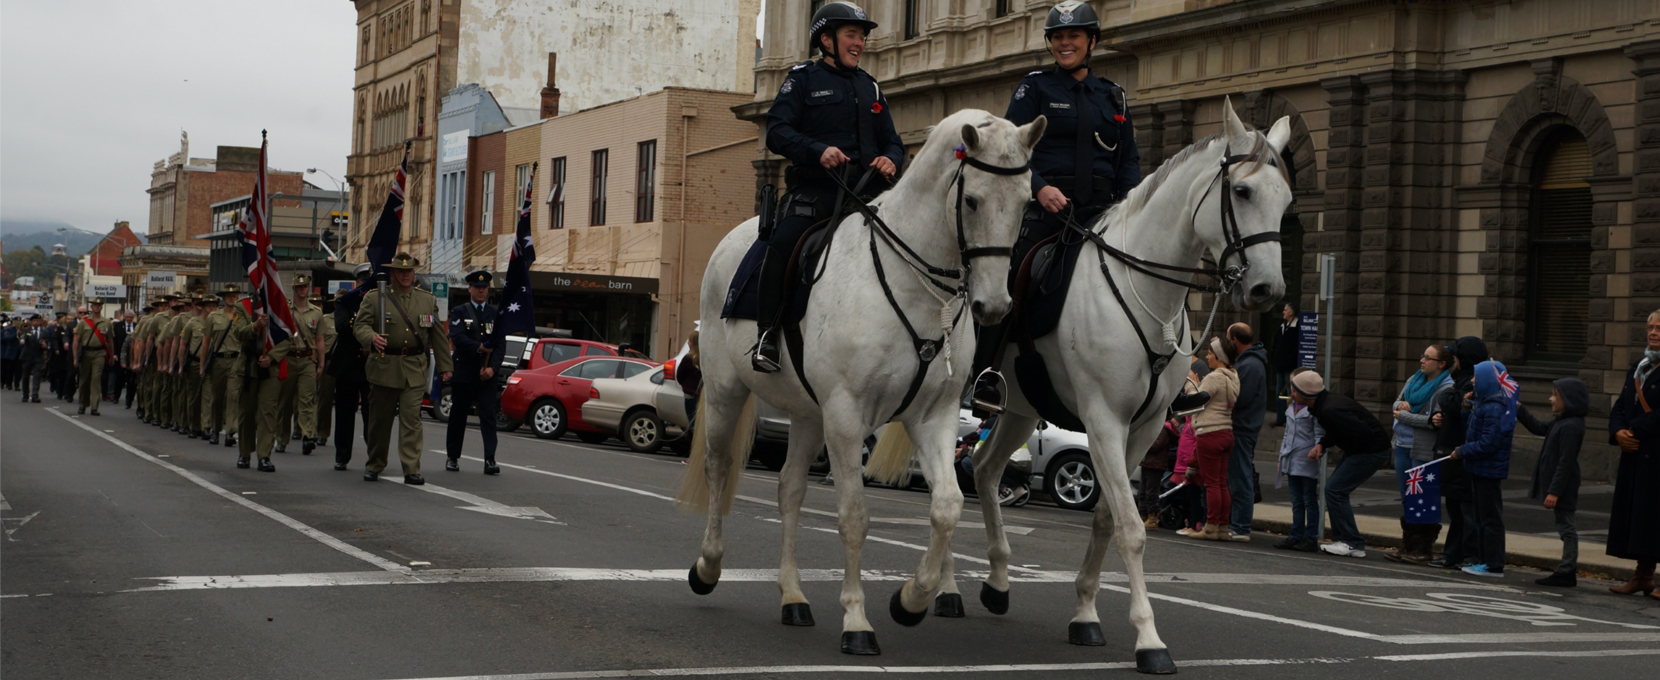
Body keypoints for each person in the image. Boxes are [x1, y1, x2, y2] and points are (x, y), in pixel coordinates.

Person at [753, 1, 902, 373]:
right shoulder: (803, 79)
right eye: (852, 35)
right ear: (826, 39)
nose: (859, 43)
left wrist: (891, 159)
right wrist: (817, 150)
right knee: (783, 245)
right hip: (817, 193)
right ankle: (767, 334)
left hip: (868, 196)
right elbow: (777, 131)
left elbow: (892, 141)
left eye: (862, 37)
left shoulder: (871, 86)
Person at [353, 252, 453, 484]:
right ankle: (375, 463)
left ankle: (411, 468)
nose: (406, 275)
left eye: (409, 271)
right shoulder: (375, 297)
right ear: (393, 274)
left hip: (414, 367)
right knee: (380, 421)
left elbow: (437, 335)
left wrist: (445, 366)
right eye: (401, 271)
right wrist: (371, 338)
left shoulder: (426, 300)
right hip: (384, 366)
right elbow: (360, 325)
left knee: (412, 420)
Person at [1291, 370, 1391, 558]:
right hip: (1362, 449)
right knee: (1334, 490)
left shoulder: (1330, 409)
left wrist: (1353, 451)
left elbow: (1362, 432)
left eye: (1295, 390)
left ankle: (1351, 542)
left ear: (1306, 393)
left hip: (1370, 450)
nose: (1292, 394)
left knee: (1335, 490)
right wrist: (1323, 444)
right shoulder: (1325, 405)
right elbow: (1339, 430)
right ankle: (1346, 539)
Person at [1605, 309, 1660, 599]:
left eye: (1659, 328)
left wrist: (1634, 429)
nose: (1653, 333)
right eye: (1650, 327)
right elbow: (1621, 406)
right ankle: (1643, 576)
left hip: (1656, 453)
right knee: (1642, 517)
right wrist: (1618, 432)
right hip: (1637, 455)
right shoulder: (1639, 367)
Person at [1385, 344, 1454, 564]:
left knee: (1422, 497)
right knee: (1407, 496)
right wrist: (1401, 406)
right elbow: (1396, 403)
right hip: (1402, 445)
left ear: (1441, 364)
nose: (1422, 360)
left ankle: (1423, 548)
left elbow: (1434, 422)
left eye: (1427, 358)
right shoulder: (1414, 380)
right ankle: (1409, 545)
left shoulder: (1445, 388)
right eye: (1422, 356)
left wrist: (1403, 415)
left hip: (1422, 448)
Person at [1516, 378, 1587, 587]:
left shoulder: (1572, 426)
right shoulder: (1561, 421)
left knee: (1567, 526)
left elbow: (1566, 462)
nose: (1550, 399)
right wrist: (1519, 409)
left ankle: (1567, 570)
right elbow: (1538, 427)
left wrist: (1555, 491)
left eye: (1555, 395)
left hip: (1564, 486)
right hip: (1558, 485)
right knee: (1563, 524)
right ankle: (1566, 569)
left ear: (1569, 399)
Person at [1450, 360, 1518, 578]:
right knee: (1481, 517)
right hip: (1478, 468)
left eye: (1476, 377)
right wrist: (1467, 407)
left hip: (1488, 470)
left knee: (1490, 518)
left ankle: (1493, 564)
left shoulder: (1494, 408)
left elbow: (1489, 443)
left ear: (1488, 380)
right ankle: (1483, 559)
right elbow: (1471, 428)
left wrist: (1462, 451)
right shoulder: (1484, 404)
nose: (1472, 381)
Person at [1428, 336, 1487, 569]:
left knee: (1467, 510)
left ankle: (1470, 555)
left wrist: (1448, 401)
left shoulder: (1473, 382)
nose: (1453, 360)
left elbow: (1454, 405)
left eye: (1456, 356)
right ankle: (1452, 554)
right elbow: (1450, 408)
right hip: (1451, 451)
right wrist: (1437, 418)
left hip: (1464, 454)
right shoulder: (1458, 380)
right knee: (1455, 508)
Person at [445, 269, 504, 475]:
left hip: (486, 375)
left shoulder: (495, 314)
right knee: (458, 415)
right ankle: (452, 457)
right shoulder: (460, 312)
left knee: (488, 416)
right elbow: (457, 337)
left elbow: (500, 345)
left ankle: (490, 459)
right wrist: (479, 348)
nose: (481, 291)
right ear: (469, 289)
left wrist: (493, 368)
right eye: (477, 287)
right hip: (465, 372)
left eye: (484, 287)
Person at [1187, 338, 1239, 542]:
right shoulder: (1232, 376)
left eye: (1210, 353)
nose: (1207, 357)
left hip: (1209, 432)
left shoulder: (1214, 377)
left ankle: (1210, 527)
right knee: (1221, 482)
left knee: (1211, 484)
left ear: (1219, 356)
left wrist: (1190, 383)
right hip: (1226, 431)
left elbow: (1195, 402)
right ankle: (1222, 527)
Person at [1274, 367, 1324, 552]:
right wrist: (1281, 457)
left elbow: (1319, 433)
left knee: (1309, 499)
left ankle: (1310, 537)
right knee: (1296, 500)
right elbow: (1287, 435)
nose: (1292, 390)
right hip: (1291, 458)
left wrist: (1317, 448)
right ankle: (1296, 534)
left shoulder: (1313, 410)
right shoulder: (1291, 407)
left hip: (1306, 458)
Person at [331, 263, 375, 471]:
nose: (365, 287)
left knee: (371, 413)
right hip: (348, 363)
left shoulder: (380, 302)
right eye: (363, 282)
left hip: (370, 365)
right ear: (357, 283)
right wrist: (365, 335)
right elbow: (341, 326)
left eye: (369, 283)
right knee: (344, 413)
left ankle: (374, 456)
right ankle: (342, 456)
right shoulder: (345, 301)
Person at [1226, 323, 1267, 541]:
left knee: (1240, 477)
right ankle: (1236, 523)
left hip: (1243, 428)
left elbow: (1240, 398)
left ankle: (1240, 526)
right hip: (1243, 427)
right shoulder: (1248, 362)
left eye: (1227, 338)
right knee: (1236, 476)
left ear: (1234, 340)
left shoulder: (1250, 365)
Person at [279, 275, 326, 455]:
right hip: (288, 358)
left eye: (305, 286)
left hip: (307, 360)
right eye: (299, 286)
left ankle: (307, 436)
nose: (303, 289)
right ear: (294, 288)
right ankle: (282, 438)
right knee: (285, 402)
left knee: (307, 400)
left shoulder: (316, 312)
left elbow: (319, 339)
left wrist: (321, 362)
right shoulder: (285, 310)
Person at [200, 286, 243, 445]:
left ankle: (231, 431)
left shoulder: (242, 316)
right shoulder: (214, 316)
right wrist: (202, 366)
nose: (232, 298)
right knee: (217, 398)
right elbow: (206, 342)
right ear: (223, 298)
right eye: (229, 295)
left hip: (235, 360)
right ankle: (215, 429)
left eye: (235, 295)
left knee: (233, 396)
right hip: (218, 361)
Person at [72, 298, 114, 416]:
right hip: (86, 353)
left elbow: (110, 341)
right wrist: (75, 358)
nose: (97, 307)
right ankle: (82, 404)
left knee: (96, 379)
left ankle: (94, 406)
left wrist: (111, 356)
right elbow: (76, 340)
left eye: (99, 305)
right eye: (95, 305)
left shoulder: (106, 322)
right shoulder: (84, 322)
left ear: (101, 307)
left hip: (99, 353)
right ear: (91, 307)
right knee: (84, 380)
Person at [1270, 304, 1299, 427]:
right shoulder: (1282, 326)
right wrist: (1274, 359)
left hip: (1290, 366)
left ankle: (1291, 418)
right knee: (1279, 393)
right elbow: (1276, 345)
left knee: (1290, 393)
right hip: (1280, 365)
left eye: (1285, 310)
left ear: (1291, 313)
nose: (1283, 312)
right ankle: (1281, 417)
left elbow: (1296, 348)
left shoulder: (1297, 327)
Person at [17, 314, 48, 403]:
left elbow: (47, 342)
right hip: (27, 356)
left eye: (38, 321)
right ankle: (25, 394)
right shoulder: (27, 330)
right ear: (31, 322)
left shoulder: (44, 332)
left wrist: (45, 345)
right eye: (34, 321)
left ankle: (35, 395)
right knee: (26, 376)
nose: (36, 322)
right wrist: (22, 340)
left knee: (37, 376)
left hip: (38, 356)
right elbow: (23, 337)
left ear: (40, 322)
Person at [2, 314, 18, 391]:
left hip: (20, 352)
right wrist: (16, 334)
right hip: (11, 351)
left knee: (19, 370)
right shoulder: (9, 330)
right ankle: (8, 383)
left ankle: (17, 385)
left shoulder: (25, 329)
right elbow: (8, 338)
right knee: (9, 369)